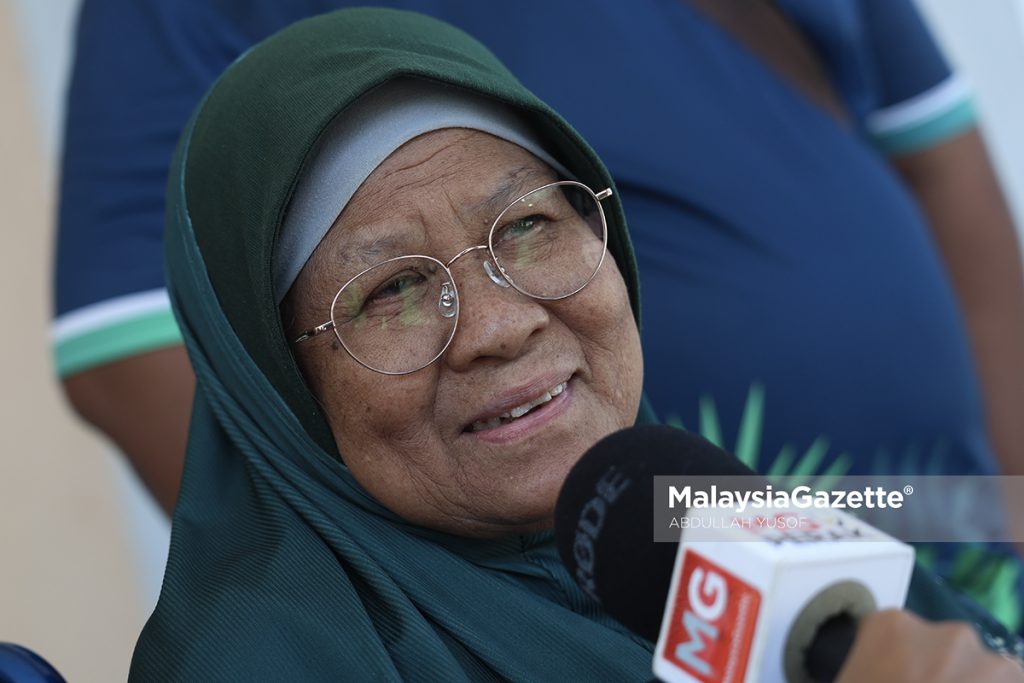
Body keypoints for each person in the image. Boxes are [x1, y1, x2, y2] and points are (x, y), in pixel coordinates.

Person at [56, 1, 1024, 627]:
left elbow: (946, 171)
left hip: (921, 543)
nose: (498, 324)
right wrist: (453, 593)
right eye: (392, 290)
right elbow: (122, 346)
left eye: (531, 225)